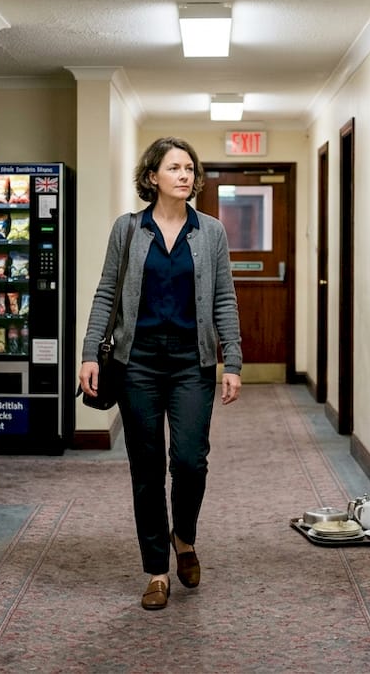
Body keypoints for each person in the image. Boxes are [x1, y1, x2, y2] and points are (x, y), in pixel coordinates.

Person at [79, 137, 243, 611]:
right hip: (139, 364)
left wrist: (231, 359)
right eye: (174, 168)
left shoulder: (210, 232)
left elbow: (225, 298)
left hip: (193, 362)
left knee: (190, 461)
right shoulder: (128, 229)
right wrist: (91, 352)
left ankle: (184, 537)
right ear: (153, 177)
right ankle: (156, 570)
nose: (185, 175)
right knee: (147, 469)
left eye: (190, 168)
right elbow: (106, 293)